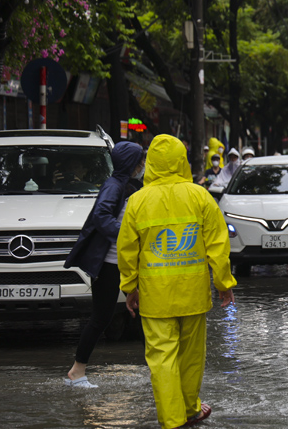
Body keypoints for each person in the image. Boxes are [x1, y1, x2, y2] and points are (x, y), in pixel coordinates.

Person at [117, 135, 237, 429]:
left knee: (162, 358)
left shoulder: (137, 201)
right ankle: (190, 409)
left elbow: (127, 249)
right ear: (182, 160)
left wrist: (129, 287)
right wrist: (223, 283)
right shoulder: (200, 196)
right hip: (192, 292)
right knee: (191, 355)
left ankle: (172, 421)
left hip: (154, 296)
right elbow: (218, 243)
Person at [62, 142, 145, 388]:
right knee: (101, 319)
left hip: (124, 264)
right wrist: (129, 233)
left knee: (143, 317)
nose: (142, 166)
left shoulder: (127, 185)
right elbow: (101, 217)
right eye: (140, 161)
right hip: (109, 266)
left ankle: (159, 370)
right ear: (131, 163)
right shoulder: (114, 186)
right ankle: (77, 372)